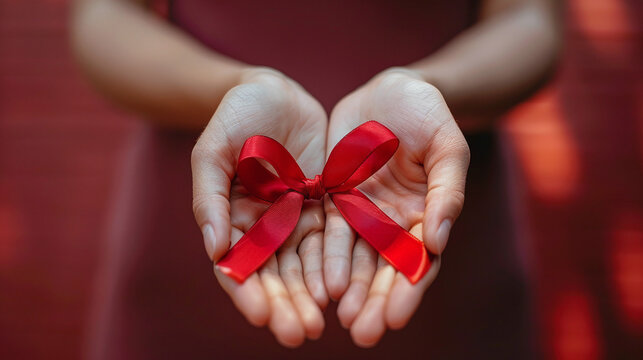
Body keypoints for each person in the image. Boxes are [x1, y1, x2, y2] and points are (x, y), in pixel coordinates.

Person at [71, 0, 560, 357]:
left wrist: (430, 88)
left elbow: (530, 20)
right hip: (214, 217)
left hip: (427, 216)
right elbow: (104, 16)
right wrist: (229, 88)